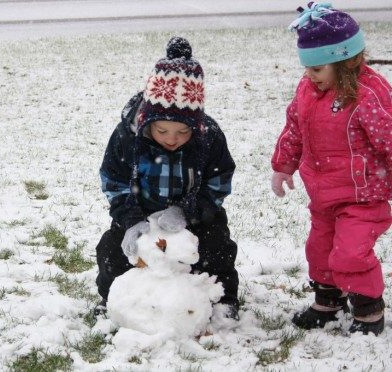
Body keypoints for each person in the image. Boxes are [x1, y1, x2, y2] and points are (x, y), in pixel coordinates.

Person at [95, 36, 239, 319]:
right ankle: (113, 298)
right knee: (112, 250)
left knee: (217, 246)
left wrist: (188, 211)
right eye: (162, 132)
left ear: (195, 126)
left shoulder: (209, 137)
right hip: (141, 213)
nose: (172, 139)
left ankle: (222, 299)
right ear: (148, 120)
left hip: (193, 214)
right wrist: (131, 220)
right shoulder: (127, 136)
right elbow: (113, 180)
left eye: (183, 133)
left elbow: (218, 182)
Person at [271, 3, 392, 335]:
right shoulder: (308, 91)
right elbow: (294, 127)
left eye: (318, 69)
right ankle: (328, 302)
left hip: (362, 197)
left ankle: (368, 311)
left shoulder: (368, 95)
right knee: (320, 251)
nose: (311, 76)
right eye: (307, 68)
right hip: (323, 194)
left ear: (346, 61)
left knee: (350, 253)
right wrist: (283, 165)